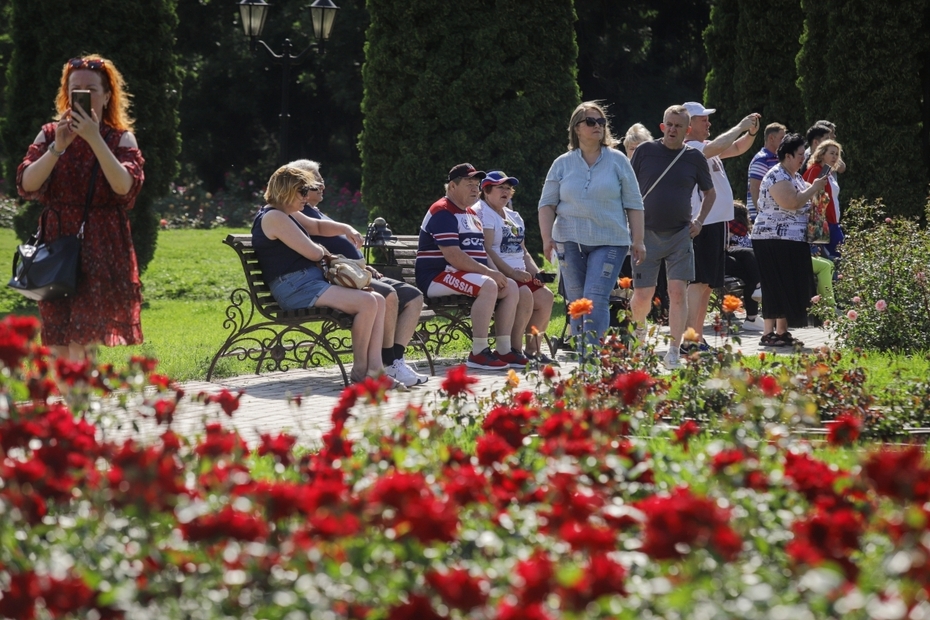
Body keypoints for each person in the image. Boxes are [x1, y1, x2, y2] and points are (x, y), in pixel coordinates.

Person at [17, 55, 145, 361]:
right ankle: (74, 407)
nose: (83, 96)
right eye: (76, 90)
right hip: (56, 248)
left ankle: (78, 408)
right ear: (66, 94)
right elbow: (27, 183)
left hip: (100, 248)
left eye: (90, 90)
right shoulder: (50, 134)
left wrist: (94, 139)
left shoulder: (120, 139)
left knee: (81, 341)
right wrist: (58, 147)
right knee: (58, 344)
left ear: (106, 96)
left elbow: (124, 187)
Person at [289, 159, 428, 387]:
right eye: (317, 182)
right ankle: (385, 362)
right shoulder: (297, 213)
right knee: (388, 295)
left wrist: (361, 265)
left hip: (358, 272)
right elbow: (318, 250)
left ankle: (395, 360)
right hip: (341, 277)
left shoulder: (316, 212)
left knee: (414, 297)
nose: (322, 186)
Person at [252, 165, 393, 385]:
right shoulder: (274, 218)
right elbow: (313, 252)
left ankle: (376, 370)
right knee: (367, 302)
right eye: (302, 191)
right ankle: (360, 372)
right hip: (294, 287)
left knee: (377, 300)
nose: (306, 197)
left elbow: (317, 226)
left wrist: (346, 229)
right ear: (286, 191)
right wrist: (323, 250)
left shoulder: (285, 213)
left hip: (307, 281)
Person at [538, 101, 645, 349]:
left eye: (601, 122)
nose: (597, 126)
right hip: (568, 240)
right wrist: (546, 238)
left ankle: (593, 354)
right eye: (590, 121)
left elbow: (634, 203)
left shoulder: (618, 160)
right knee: (576, 300)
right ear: (576, 128)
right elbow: (546, 204)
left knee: (595, 298)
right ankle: (582, 356)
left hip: (610, 240)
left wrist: (638, 240)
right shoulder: (562, 163)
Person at [629, 104, 714, 369]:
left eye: (679, 126)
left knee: (678, 293)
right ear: (662, 126)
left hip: (680, 234)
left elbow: (709, 193)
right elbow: (628, 187)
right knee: (643, 295)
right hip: (646, 234)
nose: (673, 130)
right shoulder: (645, 152)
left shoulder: (694, 158)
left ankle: (674, 351)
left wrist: (699, 220)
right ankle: (639, 339)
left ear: (687, 130)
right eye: (669, 124)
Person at [416, 163, 522, 370]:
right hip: (437, 276)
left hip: (462, 274)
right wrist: (490, 274)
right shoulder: (442, 211)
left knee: (510, 286)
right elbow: (454, 256)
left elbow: (481, 252)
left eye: (477, 184)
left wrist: (499, 274)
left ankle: (504, 349)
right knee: (489, 285)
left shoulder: (472, 215)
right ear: (452, 187)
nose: (475, 188)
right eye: (469, 184)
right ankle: (478, 352)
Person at [681, 102, 760, 351]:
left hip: (716, 224)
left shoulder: (706, 148)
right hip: (702, 223)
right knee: (697, 284)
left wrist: (752, 133)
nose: (708, 123)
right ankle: (688, 339)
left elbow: (737, 147)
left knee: (706, 286)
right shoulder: (691, 148)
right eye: (703, 119)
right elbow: (719, 145)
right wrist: (740, 126)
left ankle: (696, 339)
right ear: (689, 124)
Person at [751, 133, 830, 347]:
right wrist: (813, 187)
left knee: (788, 284)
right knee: (775, 284)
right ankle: (768, 333)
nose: (802, 159)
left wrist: (817, 193)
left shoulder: (795, 177)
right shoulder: (777, 175)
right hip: (771, 238)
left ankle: (782, 332)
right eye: (799, 155)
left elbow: (806, 200)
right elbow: (791, 202)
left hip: (792, 239)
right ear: (787, 155)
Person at [473, 171, 555, 363]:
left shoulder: (514, 216)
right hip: (500, 274)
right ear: (486, 190)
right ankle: (513, 350)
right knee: (525, 293)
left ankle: (533, 351)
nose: (506, 191)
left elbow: (523, 250)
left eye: (509, 188)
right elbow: (487, 249)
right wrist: (511, 273)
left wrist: (536, 273)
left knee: (546, 297)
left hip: (520, 274)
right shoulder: (483, 212)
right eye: (500, 187)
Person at [802, 139, 845, 258]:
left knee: (841, 259)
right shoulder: (815, 170)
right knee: (835, 261)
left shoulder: (828, 172)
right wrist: (819, 233)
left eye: (837, 154)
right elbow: (812, 198)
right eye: (831, 153)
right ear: (821, 154)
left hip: (834, 222)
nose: (835, 156)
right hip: (823, 225)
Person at [726, 201, 763, 331]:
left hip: (741, 262)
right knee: (749, 254)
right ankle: (759, 286)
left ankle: (751, 318)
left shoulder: (744, 230)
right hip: (726, 258)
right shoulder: (731, 226)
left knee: (750, 277)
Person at [746, 123, 787, 221]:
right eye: (782, 138)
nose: (784, 142)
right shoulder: (762, 159)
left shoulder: (777, 159)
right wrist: (761, 214)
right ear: (771, 138)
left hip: (772, 217)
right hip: (762, 219)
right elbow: (755, 188)